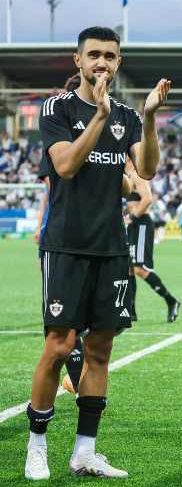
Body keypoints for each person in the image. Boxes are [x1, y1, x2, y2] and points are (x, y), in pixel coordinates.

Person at [25, 26, 170, 481]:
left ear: (118, 62)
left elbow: (146, 169)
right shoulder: (58, 107)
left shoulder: (126, 115)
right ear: (78, 61)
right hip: (66, 245)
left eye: (110, 55)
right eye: (94, 55)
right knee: (59, 346)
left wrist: (146, 118)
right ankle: (37, 446)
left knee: (101, 349)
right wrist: (99, 117)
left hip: (111, 248)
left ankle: (84, 451)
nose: (101, 62)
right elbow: (65, 165)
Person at [126, 163, 181, 323]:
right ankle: (130, 312)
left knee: (140, 269)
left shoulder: (137, 174)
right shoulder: (127, 175)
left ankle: (171, 301)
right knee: (128, 268)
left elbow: (148, 198)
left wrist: (133, 216)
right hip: (133, 224)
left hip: (141, 223)